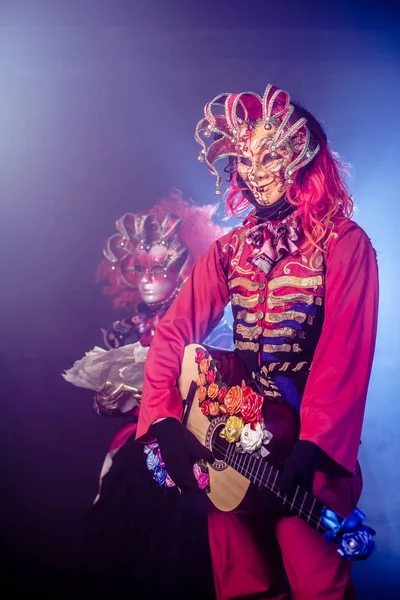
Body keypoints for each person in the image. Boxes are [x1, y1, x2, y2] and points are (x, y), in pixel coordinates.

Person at [136, 85, 379, 600]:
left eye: (270, 156)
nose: (255, 171)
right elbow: (174, 330)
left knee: (319, 588)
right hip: (231, 442)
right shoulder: (231, 250)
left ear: (302, 158)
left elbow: (344, 355)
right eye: (244, 159)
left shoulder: (344, 245)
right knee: (242, 585)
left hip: (307, 453)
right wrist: (164, 419)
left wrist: (312, 451)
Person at [69, 190, 230, 598]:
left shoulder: (206, 321)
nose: (147, 277)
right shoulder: (126, 329)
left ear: (187, 265)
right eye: (137, 266)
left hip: (194, 450)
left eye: (160, 265)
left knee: (184, 555)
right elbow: (109, 402)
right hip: (136, 452)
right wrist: (109, 401)